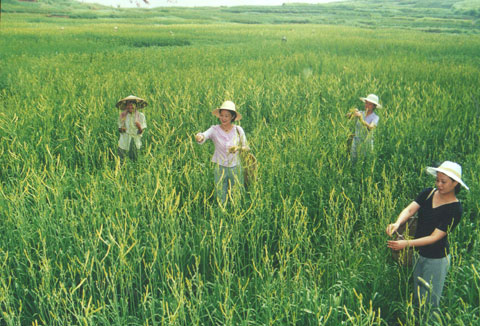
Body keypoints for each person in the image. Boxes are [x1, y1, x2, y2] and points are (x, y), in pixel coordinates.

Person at [386, 161, 469, 309]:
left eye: (443, 182)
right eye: (437, 180)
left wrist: (406, 244)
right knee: (418, 296)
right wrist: (397, 223)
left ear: (455, 183)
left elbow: (434, 237)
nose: (439, 184)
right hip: (418, 253)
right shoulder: (428, 193)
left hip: (437, 258)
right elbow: (410, 210)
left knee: (430, 301)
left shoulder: (455, 209)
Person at [195, 100, 249, 204]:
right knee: (220, 193)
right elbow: (204, 135)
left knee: (236, 193)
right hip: (220, 166)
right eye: (221, 115)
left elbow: (246, 147)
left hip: (235, 166)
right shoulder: (214, 129)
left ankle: (235, 212)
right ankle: (221, 213)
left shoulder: (238, 130)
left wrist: (237, 148)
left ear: (232, 117)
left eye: (227, 116)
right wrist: (199, 136)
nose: (223, 118)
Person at [346, 94, 381, 161]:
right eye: (366, 103)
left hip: (366, 144)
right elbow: (347, 116)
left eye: (370, 104)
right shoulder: (361, 113)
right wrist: (352, 112)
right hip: (356, 143)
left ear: (374, 106)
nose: (367, 105)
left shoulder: (375, 117)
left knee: (364, 162)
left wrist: (361, 119)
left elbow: (371, 127)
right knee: (353, 162)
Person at [116, 95, 147, 161]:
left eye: (132, 105)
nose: (130, 107)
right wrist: (122, 129)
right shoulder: (122, 115)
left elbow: (141, 131)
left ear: (136, 106)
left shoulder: (141, 116)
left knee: (135, 158)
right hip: (124, 140)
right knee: (122, 158)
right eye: (128, 105)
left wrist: (139, 127)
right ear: (126, 106)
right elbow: (119, 129)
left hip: (135, 140)